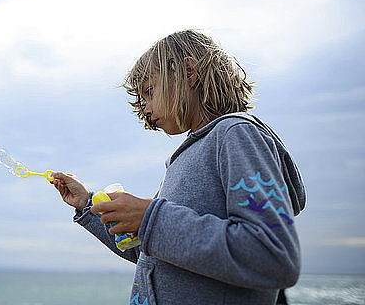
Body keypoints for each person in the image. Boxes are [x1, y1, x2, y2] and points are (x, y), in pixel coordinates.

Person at [51, 30, 306, 305]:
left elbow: (272, 257)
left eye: (149, 91)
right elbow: (155, 254)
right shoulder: (184, 158)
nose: (145, 110)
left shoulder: (236, 135)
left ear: (188, 71)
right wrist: (87, 205)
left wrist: (149, 217)